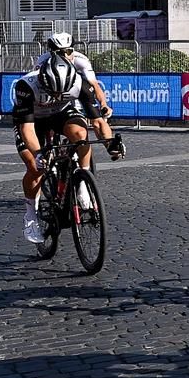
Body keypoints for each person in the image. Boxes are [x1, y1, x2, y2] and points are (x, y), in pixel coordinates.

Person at [12, 47, 118, 247]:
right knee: (35, 168)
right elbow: (26, 128)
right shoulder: (26, 85)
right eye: (53, 91)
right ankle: (30, 215)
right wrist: (38, 154)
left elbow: (98, 122)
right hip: (33, 119)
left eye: (63, 91)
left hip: (62, 113)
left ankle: (83, 184)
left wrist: (110, 144)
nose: (57, 94)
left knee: (81, 134)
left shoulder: (81, 83)